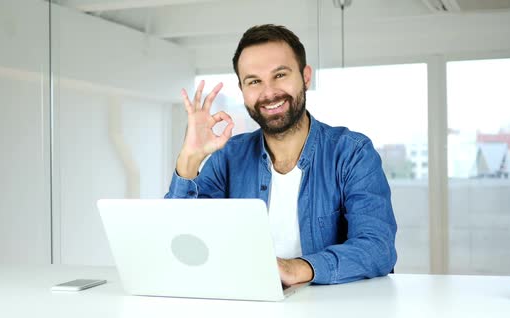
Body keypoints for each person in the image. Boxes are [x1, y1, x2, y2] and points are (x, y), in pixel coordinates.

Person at [165, 24, 397, 286]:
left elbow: (379, 249)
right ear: (242, 90)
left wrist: (297, 269)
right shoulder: (228, 157)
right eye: (254, 81)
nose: (269, 92)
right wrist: (189, 159)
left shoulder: (352, 152)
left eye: (280, 75)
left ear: (305, 77)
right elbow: (180, 240)